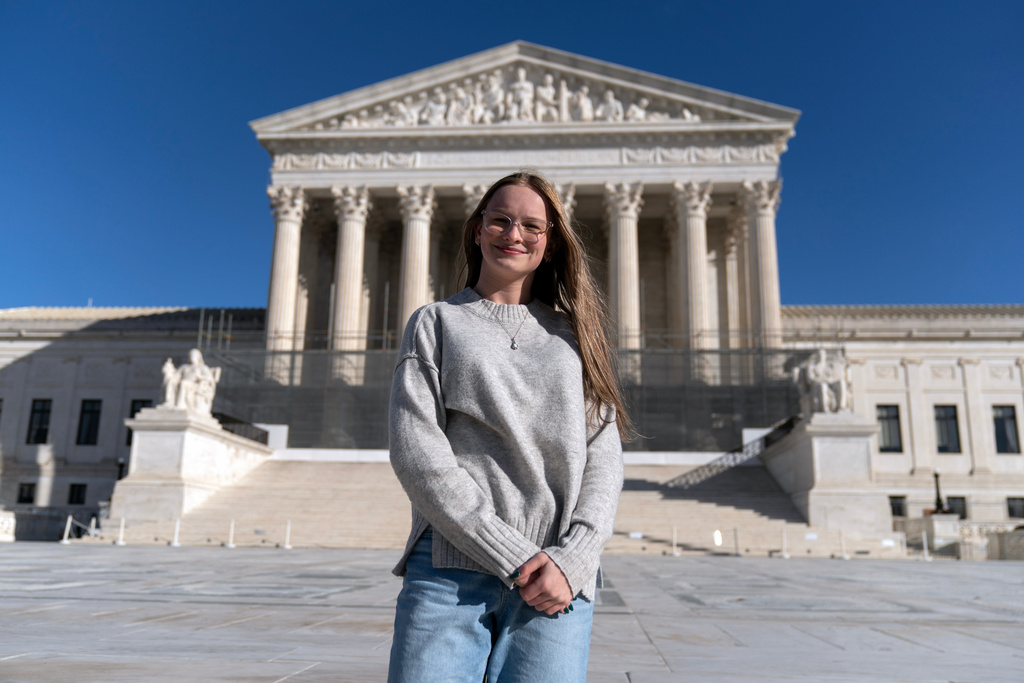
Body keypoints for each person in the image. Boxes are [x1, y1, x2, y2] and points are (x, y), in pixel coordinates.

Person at [387, 171, 632, 682]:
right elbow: (419, 452)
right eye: (499, 220)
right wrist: (514, 553)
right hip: (452, 569)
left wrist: (575, 558)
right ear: (477, 230)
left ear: (550, 242)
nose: (513, 233)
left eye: (531, 226)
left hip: (558, 576)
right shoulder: (435, 322)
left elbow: (603, 454)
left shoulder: (577, 335)